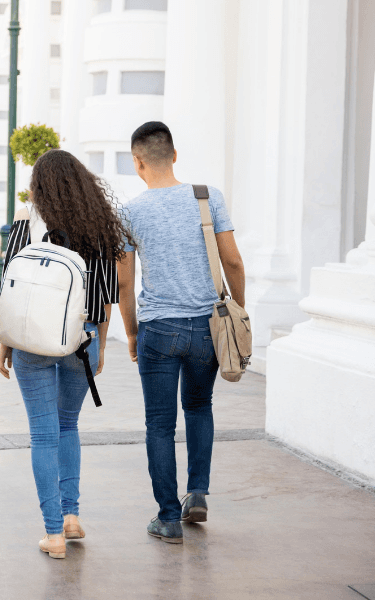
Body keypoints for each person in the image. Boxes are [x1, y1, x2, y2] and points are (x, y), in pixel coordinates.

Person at [0, 150, 130, 559]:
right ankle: (71, 516)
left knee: (43, 433)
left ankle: (53, 534)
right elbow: (106, 294)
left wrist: (4, 344)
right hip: (81, 338)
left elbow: (10, 283)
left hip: (32, 339)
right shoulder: (99, 222)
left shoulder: (26, 221)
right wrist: (102, 341)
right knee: (68, 425)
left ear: (39, 184)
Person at [117, 121, 246, 544]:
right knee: (199, 406)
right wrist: (237, 309)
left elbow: (124, 282)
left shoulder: (131, 211)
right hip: (208, 327)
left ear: (138, 163)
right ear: (174, 155)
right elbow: (234, 263)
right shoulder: (207, 199)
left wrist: (132, 333)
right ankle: (198, 492)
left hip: (158, 328)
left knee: (159, 424)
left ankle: (168, 518)